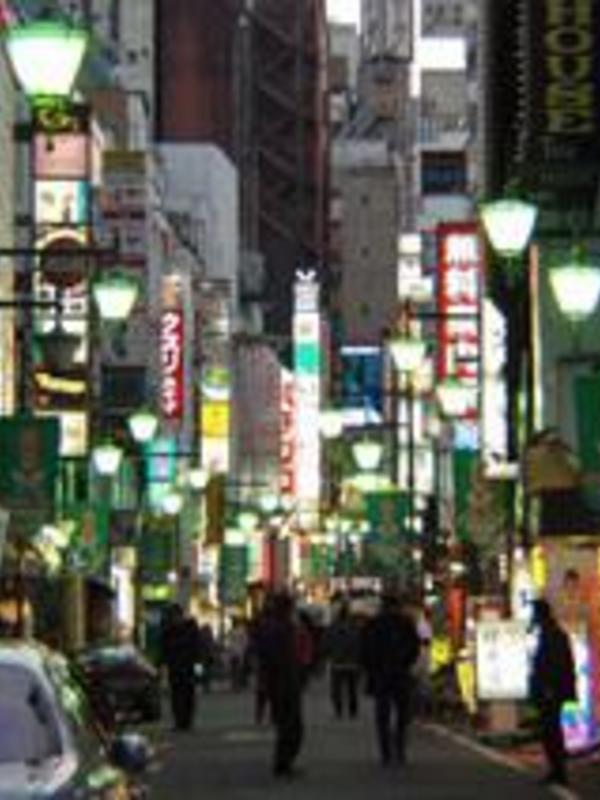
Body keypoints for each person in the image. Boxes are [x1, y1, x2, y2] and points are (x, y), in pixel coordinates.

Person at [361, 593, 420, 767]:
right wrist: (406, 662)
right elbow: (414, 647)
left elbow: (365, 649)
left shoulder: (374, 624)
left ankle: (385, 751)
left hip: (381, 674)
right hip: (400, 673)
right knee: (402, 713)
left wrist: (370, 670)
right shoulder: (405, 623)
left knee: (382, 714)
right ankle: (399, 748)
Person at [255, 591, 305, 778]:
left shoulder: (269, 626)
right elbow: (282, 657)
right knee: (291, 726)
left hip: (277, 682)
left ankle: (283, 762)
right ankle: (283, 763)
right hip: (284, 682)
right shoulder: (282, 628)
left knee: (286, 725)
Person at [530, 598, 577, 787]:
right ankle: (556, 770)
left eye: (535, 613)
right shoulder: (550, 633)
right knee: (550, 732)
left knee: (552, 732)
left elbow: (556, 666)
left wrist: (549, 689)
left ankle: (559, 771)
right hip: (550, 691)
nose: (533, 617)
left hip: (551, 693)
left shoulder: (552, 635)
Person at [158, 603, 200, 731]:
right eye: (173, 616)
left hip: (187, 667)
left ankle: (186, 721)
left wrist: (198, 667)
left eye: (176, 616)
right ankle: (180, 721)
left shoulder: (188, 628)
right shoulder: (169, 631)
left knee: (187, 695)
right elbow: (164, 651)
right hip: (176, 668)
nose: (175, 619)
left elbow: (197, 649)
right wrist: (162, 665)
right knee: (177, 696)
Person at [323, 602, 362, 719]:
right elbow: (360, 644)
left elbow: (326, 643)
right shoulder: (355, 628)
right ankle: (352, 710)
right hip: (352, 663)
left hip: (337, 662)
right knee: (352, 689)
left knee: (337, 689)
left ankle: (338, 710)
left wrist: (327, 655)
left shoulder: (332, 628)